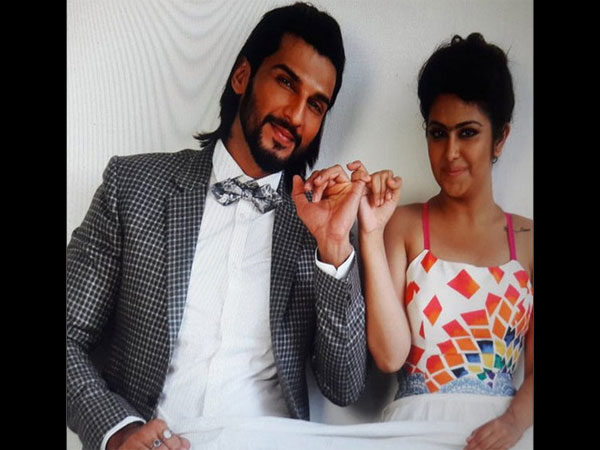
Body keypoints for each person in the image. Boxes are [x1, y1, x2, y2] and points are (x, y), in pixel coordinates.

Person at [66, 3, 369, 450]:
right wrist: (118, 432)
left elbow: (344, 386)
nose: (296, 115)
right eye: (286, 82)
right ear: (243, 76)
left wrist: (334, 247)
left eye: (316, 104)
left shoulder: (320, 223)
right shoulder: (133, 187)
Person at [352, 33, 533, 449]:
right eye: (437, 133)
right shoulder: (402, 225)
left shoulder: (528, 241)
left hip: (502, 434)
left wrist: (513, 424)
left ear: (500, 138)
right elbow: (390, 356)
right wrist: (371, 233)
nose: (450, 152)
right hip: (415, 430)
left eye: (467, 133)